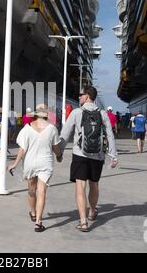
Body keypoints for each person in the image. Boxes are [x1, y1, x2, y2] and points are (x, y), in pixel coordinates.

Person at [59, 86, 118, 232]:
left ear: (87, 96)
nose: (79, 97)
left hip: (80, 155)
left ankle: (83, 222)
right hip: (97, 155)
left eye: (80, 95)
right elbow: (109, 135)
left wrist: (59, 151)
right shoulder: (103, 114)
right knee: (94, 185)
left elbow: (65, 133)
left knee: (80, 187)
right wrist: (113, 155)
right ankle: (92, 212)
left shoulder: (76, 112)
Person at [7, 104, 63, 232]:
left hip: (30, 163)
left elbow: (22, 149)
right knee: (41, 192)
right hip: (45, 163)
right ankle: (38, 222)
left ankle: (33, 213)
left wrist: (15, 164)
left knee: (31, 190)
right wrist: (59, 156)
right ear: (47, 114)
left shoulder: (27, 128)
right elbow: (55, 147)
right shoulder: (52, 129)